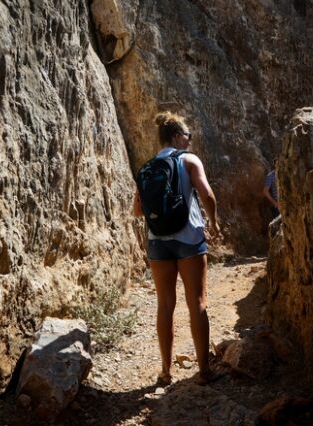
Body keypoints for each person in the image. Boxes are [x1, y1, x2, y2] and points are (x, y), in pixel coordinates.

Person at [133, 111, 220, 385]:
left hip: (158, 242)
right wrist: (214, 223)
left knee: (164, 305)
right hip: (189, 238)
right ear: (176, 136)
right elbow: (207, 194)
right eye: (187, 136)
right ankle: (204, 371)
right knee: (197, 303)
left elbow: (136, 210)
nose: (190, 141)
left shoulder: (148, 167)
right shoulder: (189, 160)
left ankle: (165, 372)